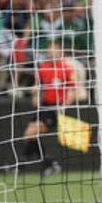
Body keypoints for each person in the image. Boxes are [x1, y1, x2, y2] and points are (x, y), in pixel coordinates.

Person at [22, 40, 76, 177]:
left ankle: (21, 165)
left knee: (31, 133)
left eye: (54, 50)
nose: (51, 53)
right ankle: (50, 164)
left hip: (55, 108)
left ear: (60, 52)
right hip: (44, 105)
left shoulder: (66, 68)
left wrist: (64, 106)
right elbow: (37, 85)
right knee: (28, 135)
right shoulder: (43, 67)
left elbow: (73, 90)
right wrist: (35, 94)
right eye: (49, 50)